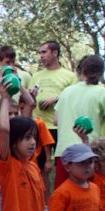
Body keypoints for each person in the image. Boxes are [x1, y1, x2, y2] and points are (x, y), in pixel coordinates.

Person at [29, 41, 77, 183]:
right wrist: (32, 95)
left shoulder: (70, 76)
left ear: (55, 53)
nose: (41, 56)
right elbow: (30, 97)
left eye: (44, 52)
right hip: (39, 125)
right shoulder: (36, 75)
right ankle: (45, 203)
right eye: (40, 53)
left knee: (65, 166)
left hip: (60, 127)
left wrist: (56, 99)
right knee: (41, 167)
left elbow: (73, 97)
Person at [54, 55, 105, 188]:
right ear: (101, 73)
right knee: (91, 199)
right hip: (90, 153)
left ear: (82, 71)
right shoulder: (102, 92)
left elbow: (55, 120)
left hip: (64, 152)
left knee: (62, 198)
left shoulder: (66, 91)